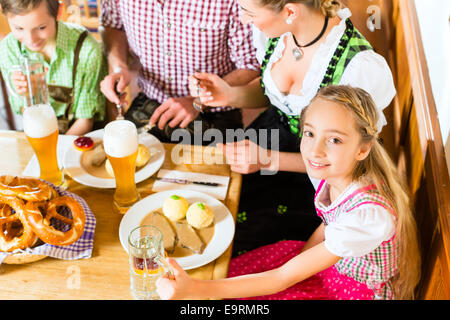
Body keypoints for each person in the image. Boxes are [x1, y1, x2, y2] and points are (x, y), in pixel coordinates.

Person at [156, 85, 421, 300]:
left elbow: (281, 278)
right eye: (309, 134)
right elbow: (328, 224)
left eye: (335, 140)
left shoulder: (370, 217)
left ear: (363, 149)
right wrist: (301, 259)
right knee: (236, 275)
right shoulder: (340, 171)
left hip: (350, 292)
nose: (315, 151)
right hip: (330, 268)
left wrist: (195, 291)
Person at [189, 0, 396, 255]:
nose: (243, 19)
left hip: (312, 179)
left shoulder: (358, 68)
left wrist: (266, 160)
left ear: (290, 11)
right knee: (205, 196)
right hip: (266, 140)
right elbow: (273, 96)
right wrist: (230, 95)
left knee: (227, 237)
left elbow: (349, 162)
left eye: (249, 12)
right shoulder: (280, 33)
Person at [99, 0, 260, 145]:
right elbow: (113, 24)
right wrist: (119, 66)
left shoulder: (231, 3)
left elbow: (250, 65)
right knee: (119, 164)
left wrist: (198, 101)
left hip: (214, 112)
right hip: (151, 102)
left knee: (211, 175)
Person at [0, 0, 106, 135]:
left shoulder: (86, 50)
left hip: (76, 136)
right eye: (19, 28)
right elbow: (22, 112)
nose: (30, 39)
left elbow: (85, 121)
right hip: (38, 130)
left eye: (41, 28)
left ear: (59, 11)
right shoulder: (9, 49)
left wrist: (58, 150)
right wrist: (26, 95)